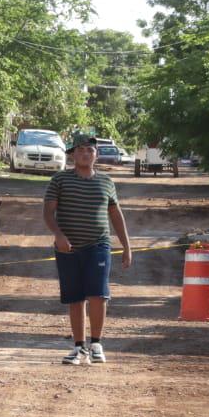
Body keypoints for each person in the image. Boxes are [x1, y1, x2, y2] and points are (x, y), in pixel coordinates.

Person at [43, 136, 132, 365]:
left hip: (98, 245)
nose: (85, 154)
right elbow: (48, 213)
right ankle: (79, 347)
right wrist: (59, 235)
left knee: (98, 294)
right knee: (75, 298)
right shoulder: (60, 179)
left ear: (96, 155)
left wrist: (126, 246)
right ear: (73, 154)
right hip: (68, 248)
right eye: (80, 149)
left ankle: (96, 344)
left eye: (90, 150)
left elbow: (115, 214)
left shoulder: (106, 182)